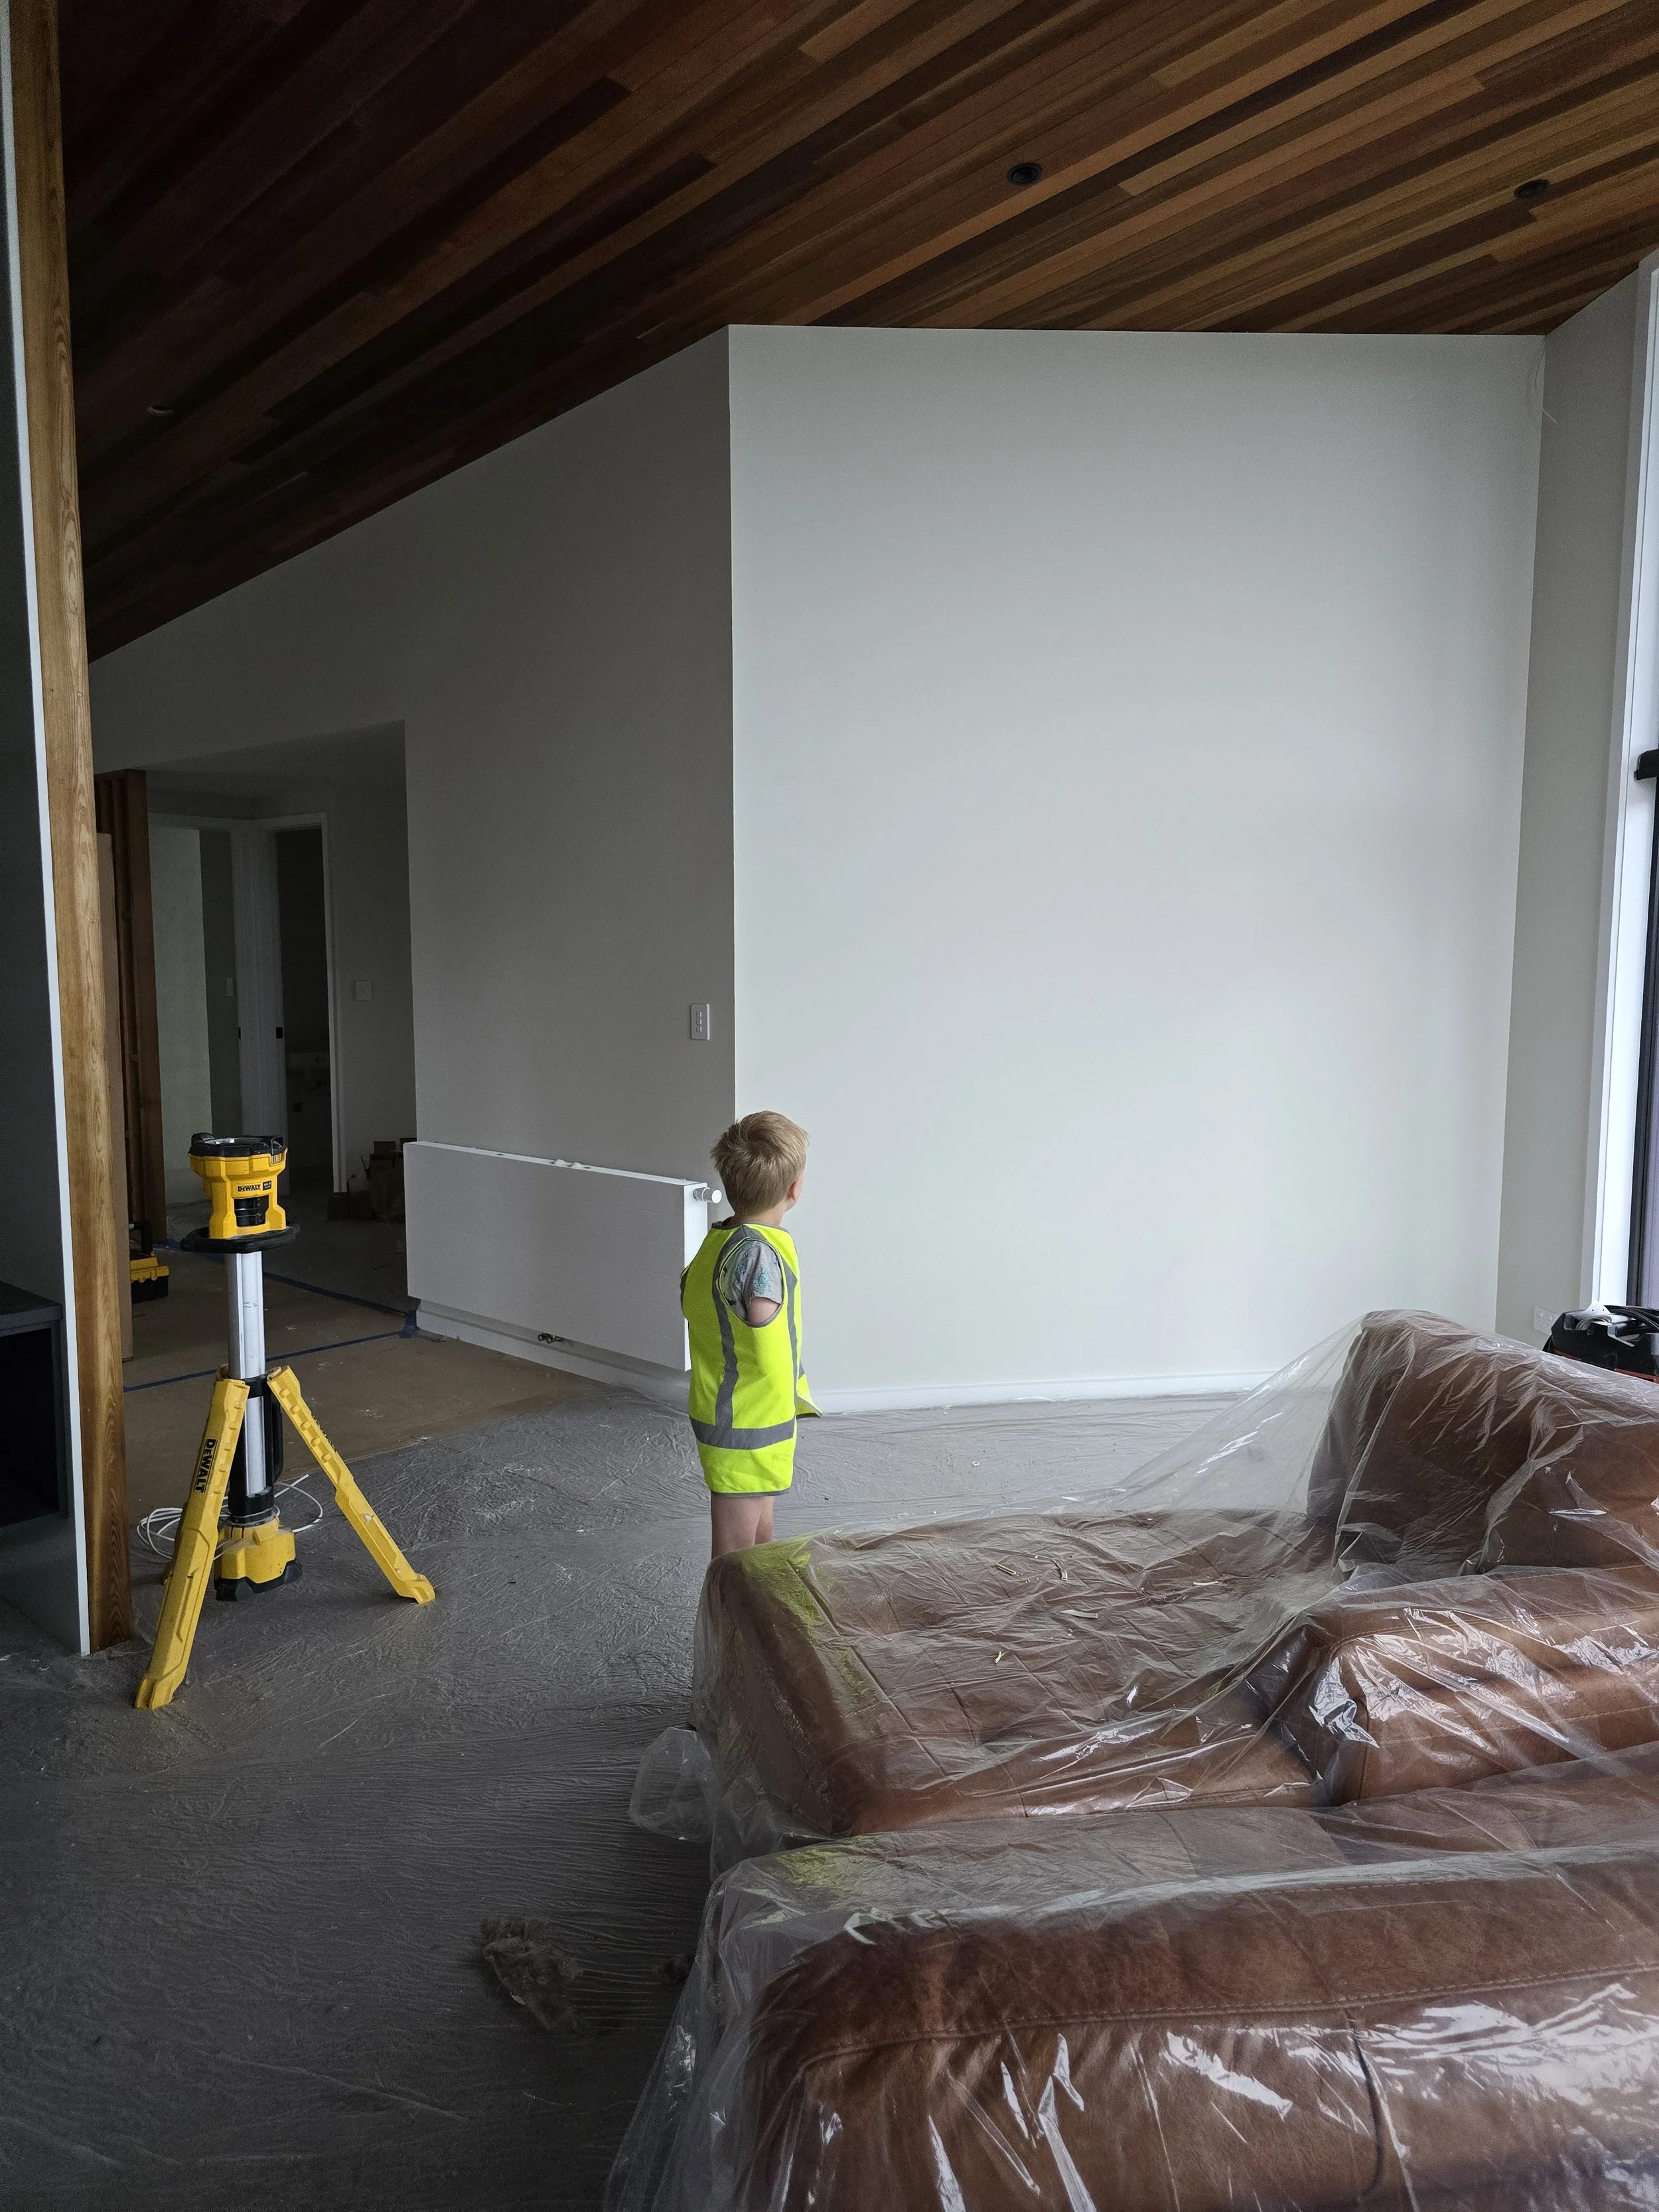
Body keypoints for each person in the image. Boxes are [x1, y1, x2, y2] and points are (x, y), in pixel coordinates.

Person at [682, 1111, 818, 1557]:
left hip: (745, 1420)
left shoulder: (721, 1240)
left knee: (759, 1543)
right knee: (735, 1555)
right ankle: (724, 1625)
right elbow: (760, 1316)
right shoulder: (759, 1255)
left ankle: (754, 1619)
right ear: (794, 1189)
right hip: (746, 1423)